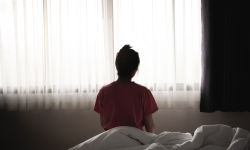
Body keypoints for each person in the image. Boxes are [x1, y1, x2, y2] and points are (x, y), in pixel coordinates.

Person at [94, 45, 158, 133]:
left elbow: (103, 122)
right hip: (136, 141)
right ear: (135, 70)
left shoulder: (103, 92)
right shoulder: (144, 92)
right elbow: (150, 127)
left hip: (111, 140)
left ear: (117, 67)